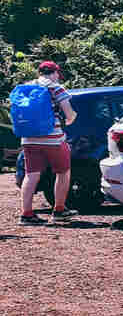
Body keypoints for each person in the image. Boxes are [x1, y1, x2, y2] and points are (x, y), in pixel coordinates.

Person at [16, 61, 77, 224]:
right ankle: (59, 210)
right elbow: (68, 113)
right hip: (53, 139)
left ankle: (26, 214)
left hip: (28, 138)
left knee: (31, 175)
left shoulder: (26, 87)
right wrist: (71, 119)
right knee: (63, 172)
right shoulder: (55, 87)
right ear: (55, 72)